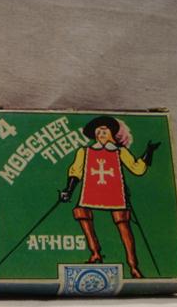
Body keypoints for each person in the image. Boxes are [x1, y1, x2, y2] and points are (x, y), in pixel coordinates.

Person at [59, 116, 159, 278]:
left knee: (123, 223)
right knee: (81, 211)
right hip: (91, 191)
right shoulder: (85, 152)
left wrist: (149, 152)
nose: (101, 134)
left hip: (114, 192)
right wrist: (68, 190)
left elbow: (137, 169)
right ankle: (95, 252)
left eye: (104, 131)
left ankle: (133, 265)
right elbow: (75, 171)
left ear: (112, 133)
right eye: (98, 132)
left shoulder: (120, 151)